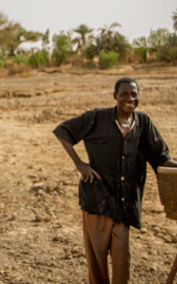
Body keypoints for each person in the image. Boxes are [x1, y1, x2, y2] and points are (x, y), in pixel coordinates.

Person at [53, 77, 177, 284]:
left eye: (134, 95)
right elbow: (63, 130)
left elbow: (161, 157)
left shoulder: (143, 123)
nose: (130, 99)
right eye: (124, 94)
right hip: (97, 200)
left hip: (124, 204)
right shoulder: (97, 118)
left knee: (122, 260)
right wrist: (79, 163)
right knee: (97, 262)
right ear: (115, 96)